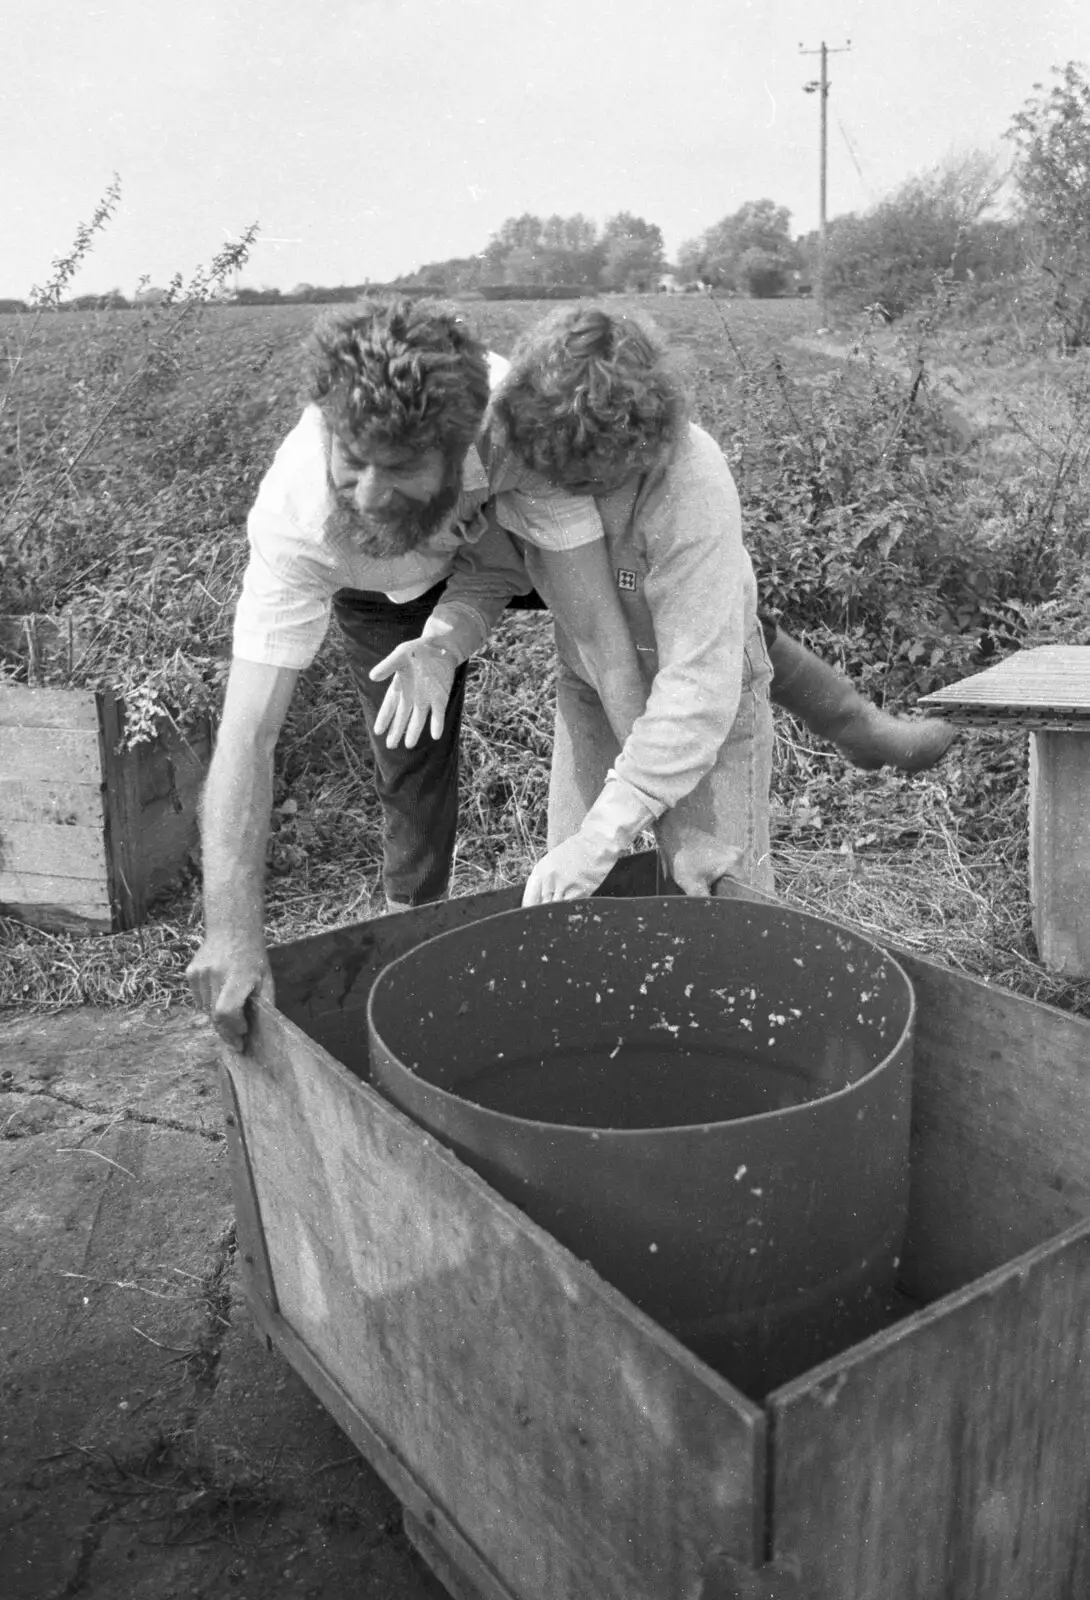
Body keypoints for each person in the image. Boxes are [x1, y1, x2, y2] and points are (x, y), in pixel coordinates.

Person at [186, 297, 638, 1049]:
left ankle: (595, 879)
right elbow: (249, 734)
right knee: (408, 754)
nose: (366, 490)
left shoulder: (516, 436)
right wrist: (230, 932)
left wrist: (664, 807)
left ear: (462, 448)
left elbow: (599, 635)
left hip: (498, 540)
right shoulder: (297, 518)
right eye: (352, 459)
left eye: (398, 467)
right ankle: (412, 940)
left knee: (616, 630)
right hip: (383, 591)